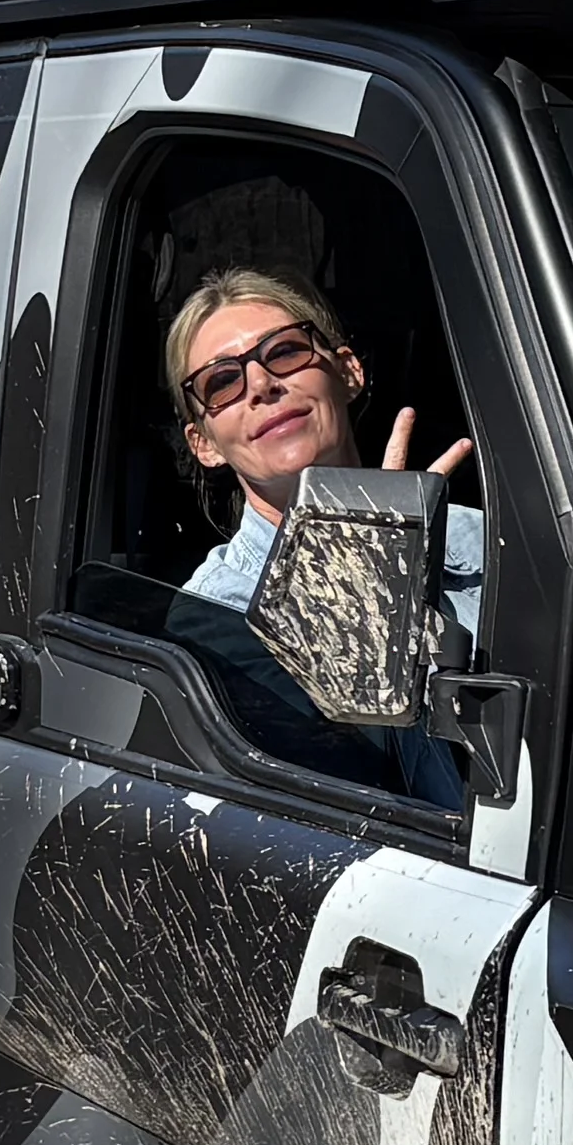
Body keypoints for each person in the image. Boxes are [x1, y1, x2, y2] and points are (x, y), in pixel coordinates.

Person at [155, 267, 481, 793]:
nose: (261, 384)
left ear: (348, 372)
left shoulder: (483, 537)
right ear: (205, 444)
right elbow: (357, 802)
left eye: (284, 352)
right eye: (222, 382)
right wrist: (368, 571)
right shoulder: (211, 619)